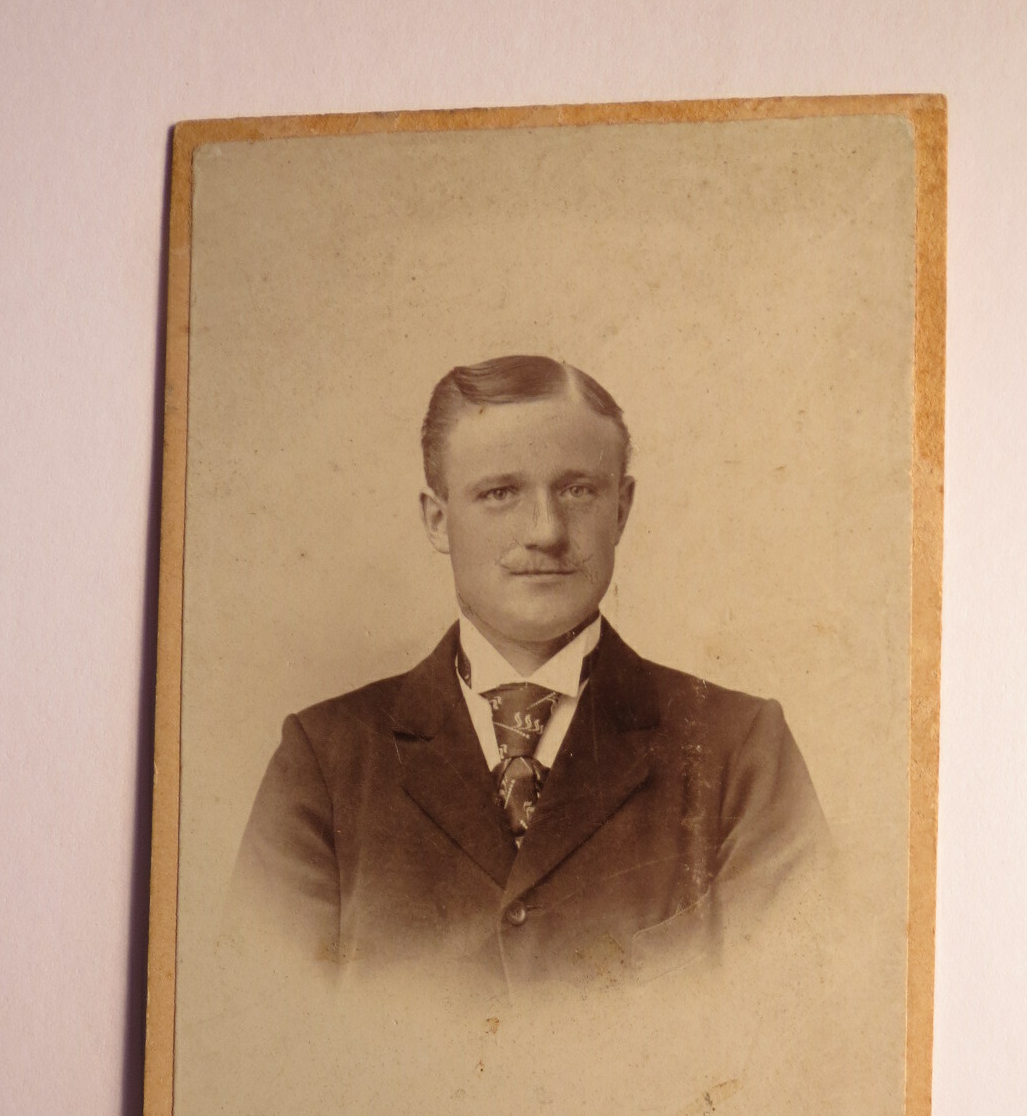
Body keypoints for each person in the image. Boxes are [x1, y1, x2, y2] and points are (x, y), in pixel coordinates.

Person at [231, 355, 830, 991]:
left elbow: (786, 1019)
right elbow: (269, 1031)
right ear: (438, 520)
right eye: (499, 493)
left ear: (621, 510)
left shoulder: (740, 750)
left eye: (578, 490)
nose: (545, 532)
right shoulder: (325, 760)